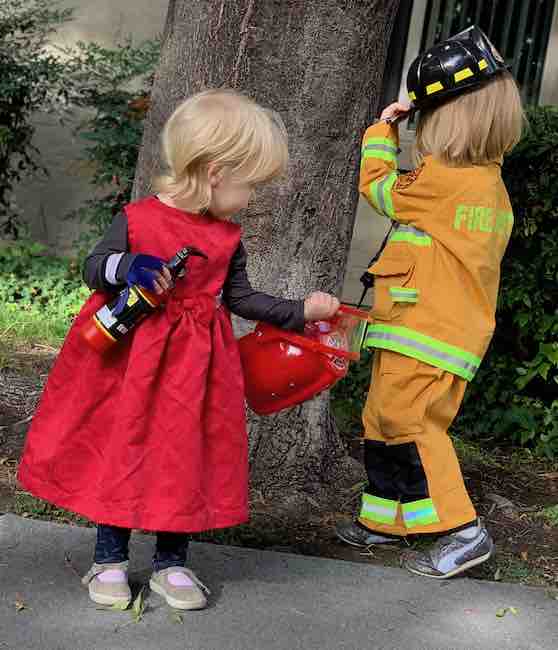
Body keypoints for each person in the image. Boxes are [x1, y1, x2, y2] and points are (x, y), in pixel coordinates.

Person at [18, 88, 339, 609]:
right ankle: (110, 559)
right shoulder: (139, 218)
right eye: (250, 184)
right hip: (131, 365)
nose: (252, 197)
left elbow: (242, 299)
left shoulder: (227, 237)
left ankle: (172, 564)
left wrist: (303, 311)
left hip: (196, 372)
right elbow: (93, 266)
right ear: (216, 172)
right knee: (123, 448)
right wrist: (129, 267)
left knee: (186, 454)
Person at [335, 26, 524, 578]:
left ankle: (463, 532)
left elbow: (378, 189)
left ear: (449, 121)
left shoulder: (446, 180)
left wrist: (381, 131)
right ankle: (387, 520)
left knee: (411, 424)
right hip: (435, 333)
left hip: (424, 331)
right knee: (384, 419)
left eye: (428, 115)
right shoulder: (486, 184)